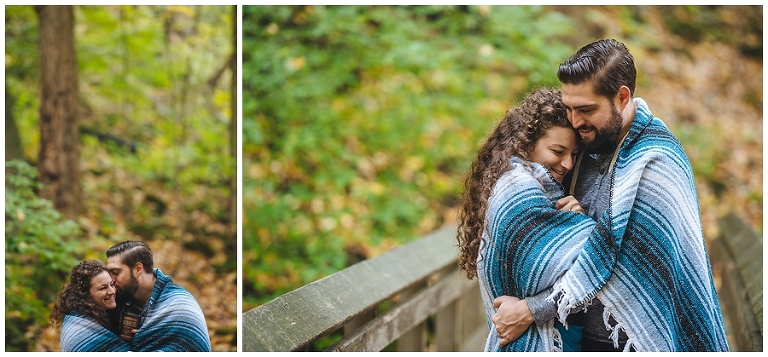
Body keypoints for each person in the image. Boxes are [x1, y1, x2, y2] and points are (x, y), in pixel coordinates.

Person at [491, 39, 729, 352]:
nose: (575, 122)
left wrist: (530, 310)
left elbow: (612, 262)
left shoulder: (656, 162)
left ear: (622, 97)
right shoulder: (586, 147)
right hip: (574, 337)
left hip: (634, 343)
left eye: (586, 110)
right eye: (569, 108)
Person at [457, 87, 593, 351]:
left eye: (574, 155)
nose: (567, 164)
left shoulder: (532, 188)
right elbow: (594, 258)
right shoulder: (518, 189)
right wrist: (581, 227)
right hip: (543, 339)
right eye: (558, 151)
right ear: (527, 143)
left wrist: (571, 221)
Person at [106, 240, 212, 352]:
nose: (111, 280)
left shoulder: (179, 306)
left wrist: (144, 338)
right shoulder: (122, 299)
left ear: (138, 269)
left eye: (116, 273)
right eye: (109, 273)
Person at [51, 260, 131, 352]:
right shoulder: (81, 332)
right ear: (86, 294)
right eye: (103, 288)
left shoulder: (88, 315)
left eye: (111, 284)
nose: (112, 291)